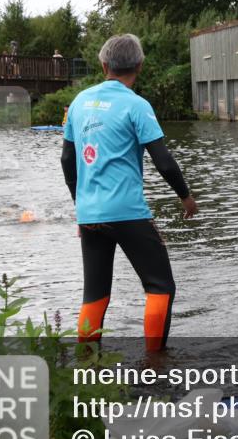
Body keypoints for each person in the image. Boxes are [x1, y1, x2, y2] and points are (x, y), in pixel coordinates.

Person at [61, 34, 198, 351]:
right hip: (127, 212)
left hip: (90, 214)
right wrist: (185, 197)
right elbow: (163, 160)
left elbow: (67, 159)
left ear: (104, 64)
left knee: (95, 293)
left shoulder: (80, 101)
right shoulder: (137, 105)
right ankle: (154, 362)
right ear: (139, 65)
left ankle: (86, 362)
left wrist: (81, 206)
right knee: (160, 287)